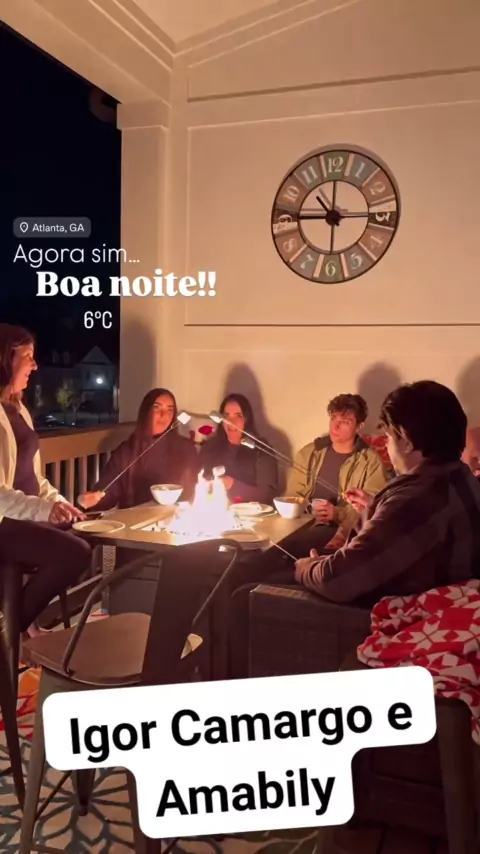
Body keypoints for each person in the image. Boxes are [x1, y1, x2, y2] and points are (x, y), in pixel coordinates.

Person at [295, 381, 480, 606]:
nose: (386, 445)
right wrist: (379, 507)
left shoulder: (417, 500)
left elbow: (335, 580)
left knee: (258, 588)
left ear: (407, 441)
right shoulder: (460, 477)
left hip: (380, 613)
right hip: (430, 601)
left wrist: (306, 568)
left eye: (389, 437)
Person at [0, 324, 92, 636]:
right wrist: (44, 510)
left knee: (89, 531)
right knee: (74, 553)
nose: (35, 365)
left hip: (24, 515)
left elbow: (34, 477)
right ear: (6, 359)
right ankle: (11, 630)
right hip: (5, 521)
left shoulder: (18, 409)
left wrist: (60, 504)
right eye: (28, 356)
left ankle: (19, 625)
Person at [284, 393, 389, 554]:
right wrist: (306, 509)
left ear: (359, 426)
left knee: (298, 546)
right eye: (333, 418)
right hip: (302, 523)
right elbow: (292, 495)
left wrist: (336, 513)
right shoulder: (310, 453)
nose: (335, 426)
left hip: (339, 530)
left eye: (344, 422)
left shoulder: (370, 462)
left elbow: (370, 509)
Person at [79, 388, 199, 510]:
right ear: (146, 412)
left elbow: (194, 488)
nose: (164, 415)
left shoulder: (185, 448)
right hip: (135, 517)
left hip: (175, 516)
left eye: (170, 410)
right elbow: (108, 491)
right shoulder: (127, 451)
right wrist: (93, 499)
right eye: (157, 408)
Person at [198, 393, 278, 504]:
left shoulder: (261, 449)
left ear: (247, 419)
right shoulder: (210, 447)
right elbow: (198, 483)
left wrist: (232, 485)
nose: (231, 422)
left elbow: (266, 495)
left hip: (251, 513)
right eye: (226, 416)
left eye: (238, 416)